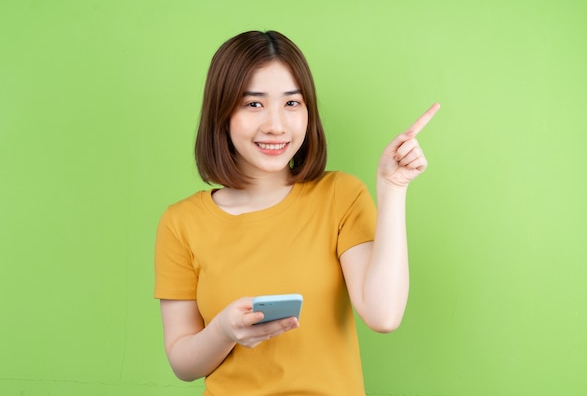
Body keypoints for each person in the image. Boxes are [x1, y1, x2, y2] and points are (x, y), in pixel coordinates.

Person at [154, 30, 439, 396]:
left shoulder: (340, 196)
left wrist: (394, 188)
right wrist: (223, 331)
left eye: (292, 103)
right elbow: (182, 363)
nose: (276, 125)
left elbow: (383, 315)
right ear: (221, 112)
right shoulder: (182, 222)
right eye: (253, 104)